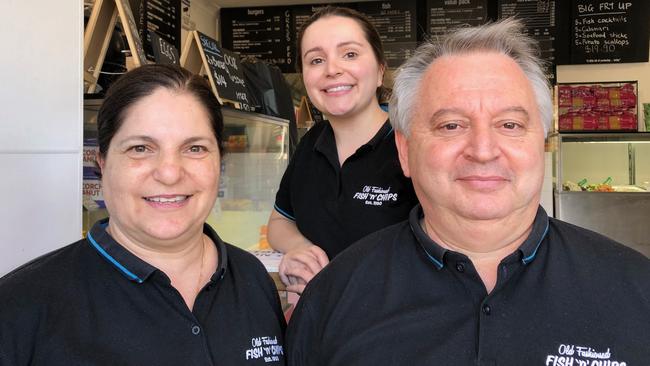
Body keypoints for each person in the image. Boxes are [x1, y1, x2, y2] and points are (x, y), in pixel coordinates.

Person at [285, 18, 650, 365]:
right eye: (451, 125)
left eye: (509, 124)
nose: (483, 149)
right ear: (404, 151)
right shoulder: (332, 297)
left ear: (541, 143)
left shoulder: (637, 289)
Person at [0, 64, 286, 365]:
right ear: (102, 162)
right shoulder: (21, 307)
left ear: (220, 161)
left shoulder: (253, 279)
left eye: (195, 148)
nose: (169, 172)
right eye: (140, 148)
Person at [268, 6, 418, 294]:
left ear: (380, 70)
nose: (332, 69)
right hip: (319, 320)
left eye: (349, 54)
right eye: (316, 60)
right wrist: (302, 250)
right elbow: (279, 221)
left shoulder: (411, 145)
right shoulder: (312, 143)